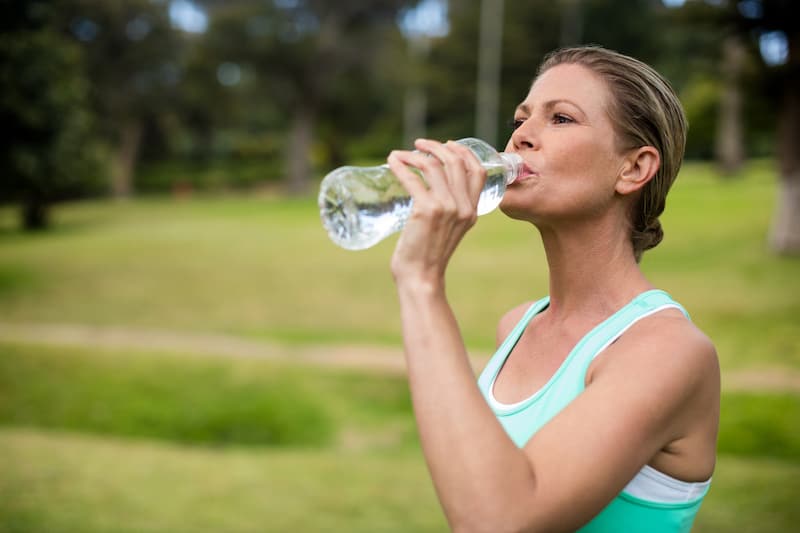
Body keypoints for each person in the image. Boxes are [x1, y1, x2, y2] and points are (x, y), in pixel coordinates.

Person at [385, 45, 720, 532]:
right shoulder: (516, 328)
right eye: (520, 119)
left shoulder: (669, 352)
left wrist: (421, 280)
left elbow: (500, 521)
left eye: (560, 118)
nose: (520, 136)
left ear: (633, 168)